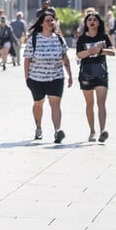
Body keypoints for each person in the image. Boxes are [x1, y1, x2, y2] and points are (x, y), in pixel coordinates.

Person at [23, 12, 72, 143]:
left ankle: (57, 131)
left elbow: (65, 58)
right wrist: (27, 77)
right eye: (48, 20)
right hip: (37, 77)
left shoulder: (59, 39)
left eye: (52, 20)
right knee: (38, 103)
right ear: (42, 24)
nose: (51, 22)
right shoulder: (33, 39)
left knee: (55, 103)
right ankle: (38, 128)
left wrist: (70, 75)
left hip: (56, 76)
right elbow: (27, 59)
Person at [75, 11, 113, 142]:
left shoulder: (104, 37)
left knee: (101, 103)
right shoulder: (82, 39)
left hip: (101, 73)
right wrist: (91, 51)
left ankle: (103, 131)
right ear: (86, 23)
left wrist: (101, 50)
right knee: (89, 103)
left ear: (98, 23)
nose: (92, 21)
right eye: (89, 19)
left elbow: (113, 52)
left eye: (94, 19)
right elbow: (79, 55)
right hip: (86, 73)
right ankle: (92, 131)